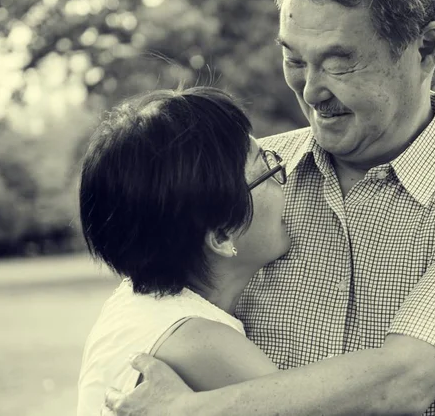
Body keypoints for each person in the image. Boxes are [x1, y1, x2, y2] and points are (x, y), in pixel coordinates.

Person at [103, 0, 435, 415]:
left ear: (425, 48)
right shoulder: (238, 184)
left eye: (340, 62)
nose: (310, 90)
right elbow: (151, 311)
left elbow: (408, 377)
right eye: (294, 58)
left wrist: (192, 411)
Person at [76, 86, 293, 415]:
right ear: (222, 234)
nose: (284, 179)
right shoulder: (198, 341)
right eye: (266, 167)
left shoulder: (140, 308)